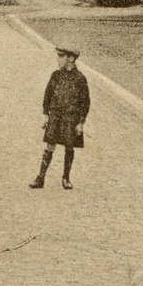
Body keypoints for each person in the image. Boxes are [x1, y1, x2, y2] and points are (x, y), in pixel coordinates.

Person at [31, 47, 90, 190]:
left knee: (69, 146)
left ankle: (66, 178)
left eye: (61, 56)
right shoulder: (56, 75)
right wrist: (46, 115)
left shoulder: (80, 78)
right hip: (55, 116)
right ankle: (40, 178)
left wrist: (81, 122)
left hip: (71, 118)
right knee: (50, 145)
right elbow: (47, 95)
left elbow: (85, 102)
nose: (58, 59)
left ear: (70, 59)